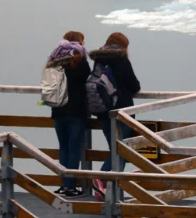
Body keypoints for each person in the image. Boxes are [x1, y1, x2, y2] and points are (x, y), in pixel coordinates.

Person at [89, 32, 141, 199]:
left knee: (115, 149)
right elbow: (134, 85)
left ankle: (109, 190)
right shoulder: (120, 59)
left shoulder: (99, 58)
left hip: (103, 111)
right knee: (122, 151)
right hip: (122, 111)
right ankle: (103, 178)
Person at [47, 31, 90, 197]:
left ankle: (64, 185)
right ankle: (71, 186)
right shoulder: (81, 61)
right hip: (76, 110)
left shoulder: (54, 60)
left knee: (63, 148)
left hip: (58, 110)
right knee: (74, 149)